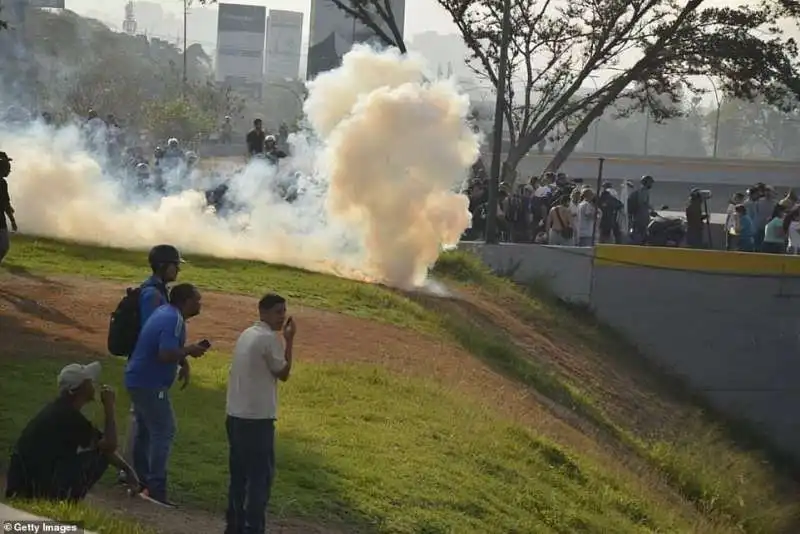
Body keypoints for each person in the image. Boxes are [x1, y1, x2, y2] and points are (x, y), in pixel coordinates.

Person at [125, 283, 208, 508]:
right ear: (185, 301)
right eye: (197, 300)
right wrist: (189, 350)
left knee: (144, 431)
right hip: (149, 384)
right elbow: (165, 353)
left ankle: (139, 481)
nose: (200, 304)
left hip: (137, 379)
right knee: (165, 429)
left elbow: (165, 348)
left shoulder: (165, 312)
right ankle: (155, 488)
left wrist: (184, 361)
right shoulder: (174, 319)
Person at [5, 362, 139, 501]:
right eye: (88, 381)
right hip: (31, 490)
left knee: (99, 453)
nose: (93, 383)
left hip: (25, 485)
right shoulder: (66, 416)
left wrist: (127, 470)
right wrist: (109, 407)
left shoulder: (63, 411)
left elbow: (104, 446)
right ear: (76, 389)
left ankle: (59, 498)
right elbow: (109, 445)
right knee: (99, 457)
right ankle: (63, 500)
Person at [225, 293, 296, 534]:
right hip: (256, 420)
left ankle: (233, 526)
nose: (282, 317)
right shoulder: (268, 339)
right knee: (259, 479)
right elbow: (283, 373)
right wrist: (289, 341)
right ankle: (253, 528)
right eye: (278, 312)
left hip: (235, 415)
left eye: (284, 311)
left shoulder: (247, 334)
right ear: (263, 312)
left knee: (239, 477)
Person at [118, 245, 186, 486]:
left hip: (145, 364)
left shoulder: (157, 291)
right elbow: (155, 332)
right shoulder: (153, 295)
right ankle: (133, 474)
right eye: (174, 264)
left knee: (143, 421)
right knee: (144, 423)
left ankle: (132, 473)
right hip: (146, 367)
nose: (177, 268)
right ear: (163, 266)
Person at [0, 151, 18, 263]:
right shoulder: (2, 183)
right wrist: (13, 221)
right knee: (4, 246)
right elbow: (4, 204)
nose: (9, 170)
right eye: (7, 167)